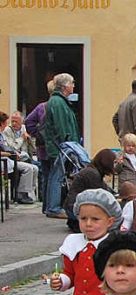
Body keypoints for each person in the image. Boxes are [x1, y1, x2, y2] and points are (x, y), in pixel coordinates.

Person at [43, 73, 80, 219]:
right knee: (57, 176)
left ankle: (52, 206)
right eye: (72, 83)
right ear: (65, 86)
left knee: (56, 175)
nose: (73, 86)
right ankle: (53, 207)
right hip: (61, 146)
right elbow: (62, 127)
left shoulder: (59, 101)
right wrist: (70, 145)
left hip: (61, 145)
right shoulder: (58, 102)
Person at [63, 149, 117, 233]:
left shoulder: (93, 171)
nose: (114, 165)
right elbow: (100, 194)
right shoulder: (92, 174)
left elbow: (105, 188)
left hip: (71, 207)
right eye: (114, 162)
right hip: (73, 208)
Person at [25, 80, 55, 209]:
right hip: (52, 147)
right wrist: (38, 134)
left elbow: (28, 121)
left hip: (42, 147)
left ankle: (45, 204)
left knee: (46, 175)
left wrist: (37, 134)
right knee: (53, 176)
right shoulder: (54, 106)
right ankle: (51, 204)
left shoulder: (41, 107)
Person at [0, 111, 38, 204]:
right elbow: (11, 147)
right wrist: (21, 139)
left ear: (22, 121)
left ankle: (27, 191)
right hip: (11, 158)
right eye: (11, 121)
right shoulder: (6, 131)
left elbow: (34, 148)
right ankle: (21, 194)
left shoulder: (26, 129)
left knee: (36, 168)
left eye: (16, 121)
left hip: (24, 157)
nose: (13, 124)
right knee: (28, 168)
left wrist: (29, 139)